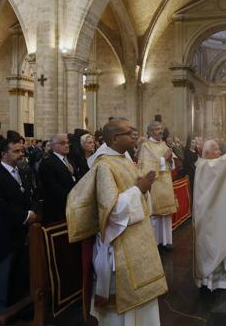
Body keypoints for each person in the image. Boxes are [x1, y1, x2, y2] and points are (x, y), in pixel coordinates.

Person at [66, 119, 167, 325]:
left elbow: (136, 191)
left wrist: (143, 188)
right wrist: (139, 189)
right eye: (128, 132)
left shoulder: (125, 158)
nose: (134, 135)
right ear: (114, 138)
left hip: (137, 238)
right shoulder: (104, 165)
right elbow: (110, 211)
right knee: (125, 302)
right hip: (121, 244)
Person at [0, 138, 37, 315]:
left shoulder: (21, 171)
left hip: (19, 232)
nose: (21, 154)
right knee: (2, 275)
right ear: (4, 154)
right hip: (3, 233)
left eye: (22, 151)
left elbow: (28, 194)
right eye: (16, 151)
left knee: (18, 273)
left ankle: (17, 307)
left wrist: (31, 210)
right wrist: (25, 216)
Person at [193, 138, 226, 291]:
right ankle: (208, 282)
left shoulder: (208, 165)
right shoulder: (206, 166)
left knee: (220, 240)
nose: (220, 152)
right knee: (211, 245)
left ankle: (220, 281)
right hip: (208, 219)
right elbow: (222, 163)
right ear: (207, 153)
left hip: (217, 215)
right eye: (216, 149)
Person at [137, 121, 177, 250]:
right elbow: (147, 168)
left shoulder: (163, 144)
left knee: (166, 216)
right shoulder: (146, 146)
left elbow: (171, 164)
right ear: (150, 131)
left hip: (166, 183)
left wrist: (170, 159)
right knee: (156, 216)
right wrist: (164, 158)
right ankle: (156, 243)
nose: (160, 131)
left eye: (161, 129)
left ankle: (167, 241)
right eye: (157, 129)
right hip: (155, 184)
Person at [38, 134, 77, 224]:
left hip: (71, 208)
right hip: (57, 210)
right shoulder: (48, 162)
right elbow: (52, 187)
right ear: (53, 146)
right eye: (63, 143)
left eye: (67, 143)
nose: (67, 145)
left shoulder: (69, 161)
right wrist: (71, 197)